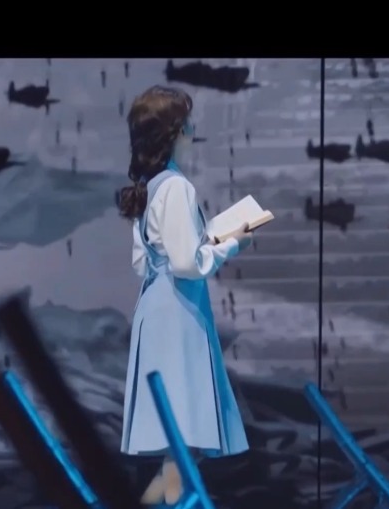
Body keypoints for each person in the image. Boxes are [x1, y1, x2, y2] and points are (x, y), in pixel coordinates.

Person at [117, 86, 251, 505]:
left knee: (176, 444)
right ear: (173, 132)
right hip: (177, 313)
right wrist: (232, 243)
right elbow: (187, 264)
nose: (192, 130)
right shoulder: (175, 187)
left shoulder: (150, 186)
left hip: (157, 308)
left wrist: (202, 242)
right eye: (186, 123)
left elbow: (143, 262)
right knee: (183, 436)